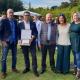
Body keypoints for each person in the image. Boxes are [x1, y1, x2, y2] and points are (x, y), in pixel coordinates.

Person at [18, 11, 39, 77]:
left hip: (32, 43)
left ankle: (35, 69)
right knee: (26, 56)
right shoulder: (19, 24)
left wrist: (32, 38)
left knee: (34, 56)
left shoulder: (33, 23)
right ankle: (27, 68)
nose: (26, 16)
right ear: (23, 16)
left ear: (29, 16)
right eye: (25, 15)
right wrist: (19, 41)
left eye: (28, 15)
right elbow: (18, 34)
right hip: (24, 43)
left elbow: (36, 32)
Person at [0, 9, 19, 79]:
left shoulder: (15, 21)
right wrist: (2, 41)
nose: (11, 14)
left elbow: (17, 31)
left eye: (12, 12)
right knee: (4, 58)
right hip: (6, 42)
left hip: (14, 42)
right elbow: (0, 32)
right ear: (7, 13)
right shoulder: (3, 21)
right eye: (10, 12)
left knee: (15, 57)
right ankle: (3, 72)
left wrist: (18, 39)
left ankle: (13, 68)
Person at [70, 12, 80, 78]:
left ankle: (79, 72)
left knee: (78, 58)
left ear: (78, 17)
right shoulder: (72, 24)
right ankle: (75, 70)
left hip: (78, 42)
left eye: (76, 16)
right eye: (74, 16)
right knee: (74, 57)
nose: (75, 17)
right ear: (72, 17)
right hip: (72, 42)